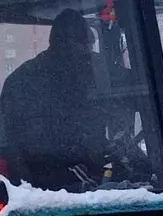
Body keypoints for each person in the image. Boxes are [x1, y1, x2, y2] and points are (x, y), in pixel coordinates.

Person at [0, 9, 105, 190]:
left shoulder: (26, 78)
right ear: (69, 43)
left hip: (41, 186)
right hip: (49, 188)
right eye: (86, 45)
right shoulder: (36, 83)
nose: (89, 54)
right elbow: (18, 149)